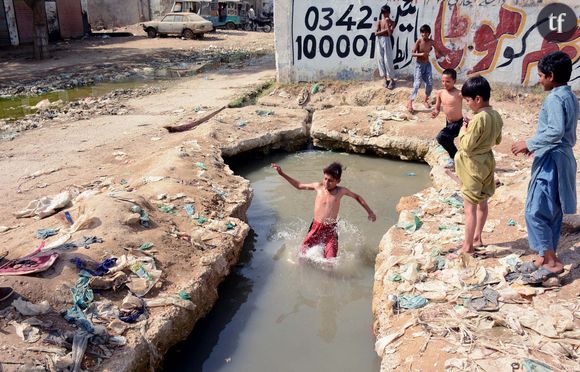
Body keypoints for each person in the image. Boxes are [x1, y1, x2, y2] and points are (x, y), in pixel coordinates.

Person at [511, 51, 578, 284]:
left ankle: (552, 262)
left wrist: (528, 143)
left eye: (540, 75)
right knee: (551, 210)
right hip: (560, 157)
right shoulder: (569, 95)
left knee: (535, 211)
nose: (539, 80)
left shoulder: (553, 99)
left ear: (550, 76)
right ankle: (543, 255)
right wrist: (537, 145)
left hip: (551, 161)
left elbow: (556, 131)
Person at [271, 162, 376, 259]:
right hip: (315, 227)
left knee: (330, 262)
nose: (326, 182)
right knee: (302, 257)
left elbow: (357, 197)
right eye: (325, 178)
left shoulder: (341, 191)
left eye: (330, 181)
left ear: (338, 181)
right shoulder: (318, 186)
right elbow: (299, 186)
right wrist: (281, 173)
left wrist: (370, 212)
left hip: (330, 230)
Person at [453, 76, 503, 257]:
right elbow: (497, 140)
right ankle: (477, 237)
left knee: (469, 208)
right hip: (487, 162)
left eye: (468, 101)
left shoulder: (477, 119)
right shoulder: (496, 115)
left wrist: (464, 128)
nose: (467, 104)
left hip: (473, 166)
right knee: (482, 202)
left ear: (478, 99)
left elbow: (465, 145)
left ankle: (468, 247)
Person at [432, 68, 463, 169]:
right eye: (443, 81)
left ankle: (456, 157)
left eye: (448, 82)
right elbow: (437, 108)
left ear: (454, 81)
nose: (445, 84)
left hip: (457, 123)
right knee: (448, 141)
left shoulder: (459, 93)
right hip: (448, 122)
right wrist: (435, 112)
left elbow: (471, 100)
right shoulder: (440, 93)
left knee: (441, 137)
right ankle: (455, 159)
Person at [407, 25, 435, 113]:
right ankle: (409, 102)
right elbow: (412, 53)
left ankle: (425, 100)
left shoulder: (431, 42)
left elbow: (438, 49)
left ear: (429, 33)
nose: (424, 34)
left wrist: (445, 56)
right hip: (419, 65)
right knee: (417, 84)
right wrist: (421, 54)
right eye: (422, 33)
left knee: (430, 83)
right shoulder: (419, 41)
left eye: (426, 33)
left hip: (427, 65)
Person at [375, 5, 396, 90]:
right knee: (380, 59)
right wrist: (385, 32)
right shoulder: (379, 22)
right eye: (383, 13)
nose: (385, 14)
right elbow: (376, 33)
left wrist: (387, 24)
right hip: (379, 40)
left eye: (386, 13)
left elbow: (390, 34)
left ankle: (391, 79)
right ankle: (385, 79)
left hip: (387, 40)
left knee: (388, 60)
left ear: (389, 12)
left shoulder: (392, 22)